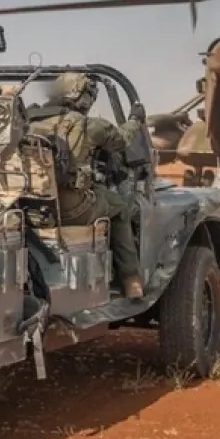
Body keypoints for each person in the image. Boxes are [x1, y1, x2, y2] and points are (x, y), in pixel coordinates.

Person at [28, 73, 144, 300]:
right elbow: (123, 139)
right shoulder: (88, 126)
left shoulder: (28, 121)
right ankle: (131, 280)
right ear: (81, 97)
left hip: (28, 209)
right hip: (70, 209)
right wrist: (135, 120)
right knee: (120, 208)